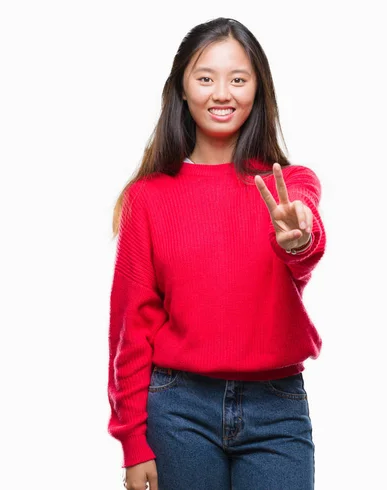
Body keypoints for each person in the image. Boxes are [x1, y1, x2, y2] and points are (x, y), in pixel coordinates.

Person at [108, 17, 327, 490]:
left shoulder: (290, 185)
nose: (221, 93)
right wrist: (132, 441)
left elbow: (303, 244)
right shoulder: (147, 198)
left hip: (277, 409)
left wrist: (298, 238)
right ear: (181, 90)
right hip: (177, 409)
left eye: (238, 79)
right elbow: (131, 324)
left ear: (258, 90)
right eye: (205, 78)